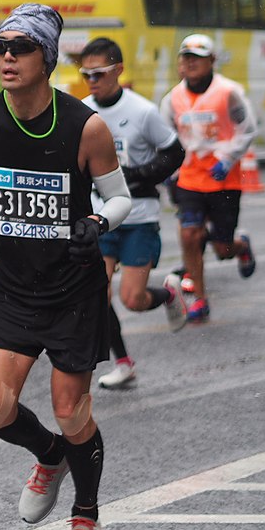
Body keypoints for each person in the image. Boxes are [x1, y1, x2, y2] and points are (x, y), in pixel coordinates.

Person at [0, 3, 131, 530]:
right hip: (12, 289)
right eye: (1, 47)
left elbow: (121, 196)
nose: (6, 57)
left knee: (72, 409)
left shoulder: (86, 126)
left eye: (20, 48)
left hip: (73, 290)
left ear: (46, 58)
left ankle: (86, 517)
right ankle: (48, 455)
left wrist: (96, 222)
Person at [80, 37, 187, 390]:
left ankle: (169, 294)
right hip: (101, 218)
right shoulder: (81, 112)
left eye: (99, 73)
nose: (92, 81)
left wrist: (138, 175)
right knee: (97, 293)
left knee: (133, 300)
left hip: (139, 217)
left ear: (118, 70)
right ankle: (123, 362)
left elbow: (174, 153)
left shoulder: (142, 112)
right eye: (86, 74)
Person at [159, 34, 257, 323]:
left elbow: (247, 130)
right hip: (189, 178)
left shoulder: (229, 92)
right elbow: (168, 140)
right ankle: (200, 299)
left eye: (197, 58)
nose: (189, 63)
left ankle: (240, 247)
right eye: (185, 57)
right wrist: (170, 173)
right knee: (189, 234)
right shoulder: (172, 99)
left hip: (223, 179)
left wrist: (227, 158)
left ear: (212, 61)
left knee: (222, 249)